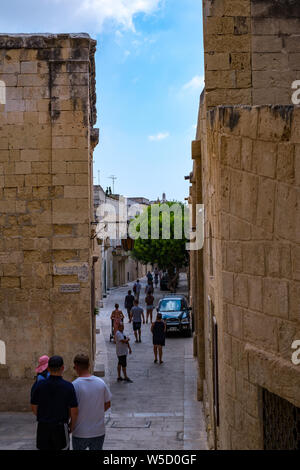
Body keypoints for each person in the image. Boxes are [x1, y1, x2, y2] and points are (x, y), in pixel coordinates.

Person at [30, 355, 78, 450]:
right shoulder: (68, 387)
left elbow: (34, 406)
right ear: (62, 368)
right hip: (60, 427)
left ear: (48, 368)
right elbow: (74, 411)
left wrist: (43, 416)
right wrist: (72, 426)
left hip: (43, 427)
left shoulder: (40, 385)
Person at [72, 354, 112, 451]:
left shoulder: (74, 385)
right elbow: (108, 403)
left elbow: (73, 409)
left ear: (75, 367)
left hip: (80, 431)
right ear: (89, 366)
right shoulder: (100, 382)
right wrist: (96, 411)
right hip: (98, 431)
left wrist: (71, 425)